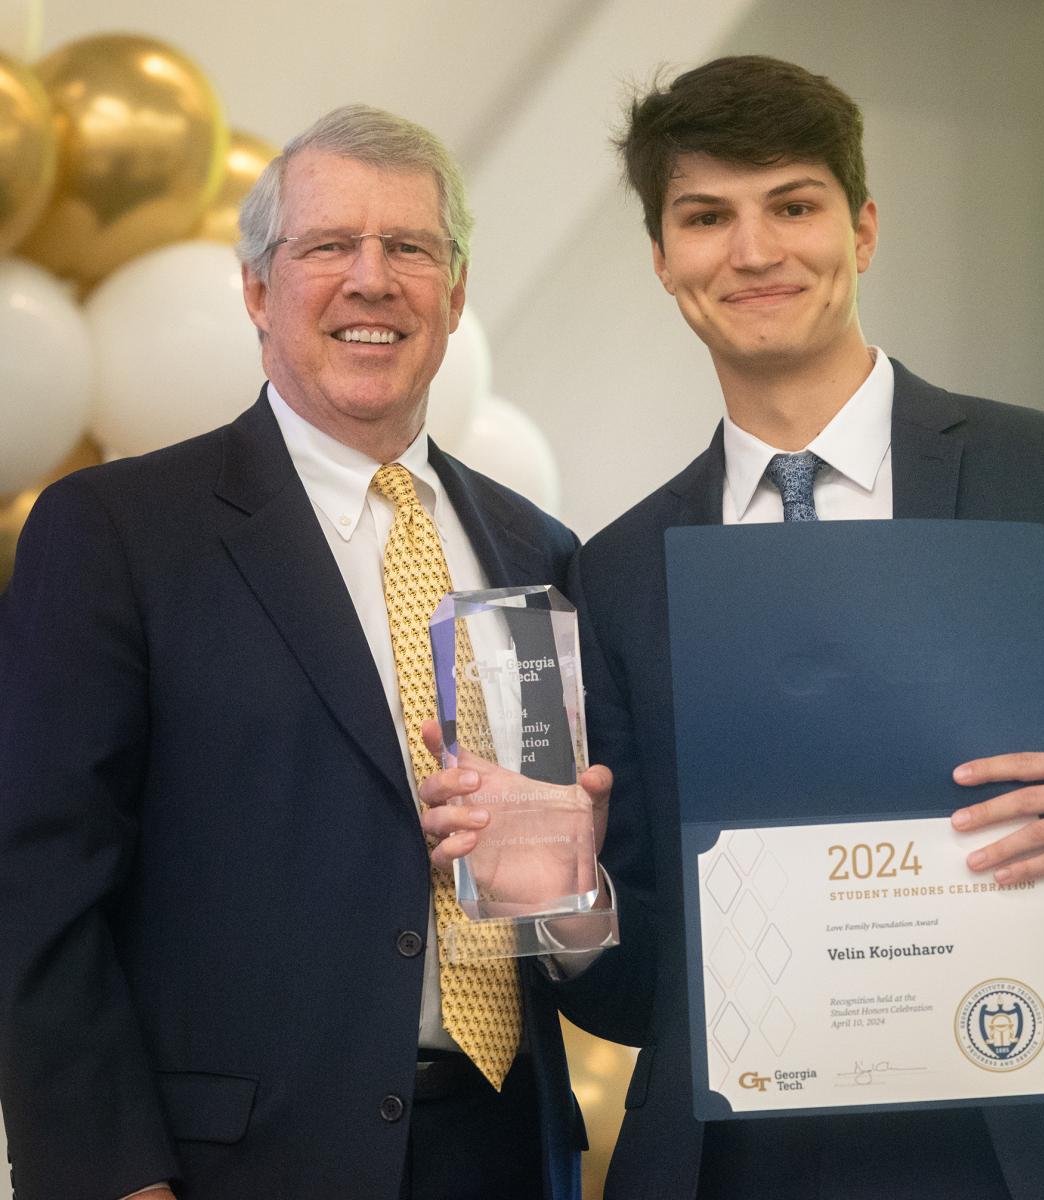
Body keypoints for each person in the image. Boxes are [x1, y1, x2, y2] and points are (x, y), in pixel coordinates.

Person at [553, 56, 1044, 1200]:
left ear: (862, 228)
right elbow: (630, 981)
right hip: (732, 1163)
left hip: (1031, 1144)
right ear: (663, 260)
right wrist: (575, 896)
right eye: (707, 218)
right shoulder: (616, 572)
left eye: (793, 206)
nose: (753, 253)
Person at [0, 104, 609, 1200]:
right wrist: (111, 1181)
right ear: (256, 291)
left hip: (509, 1157)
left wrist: (577, 887)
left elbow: (579, 899)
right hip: (231, 1168)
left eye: (410, 249)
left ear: (455, 294)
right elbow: (35, 891)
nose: (371, 281)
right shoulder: (120, 533)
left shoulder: (541, 549)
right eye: (327, 246)